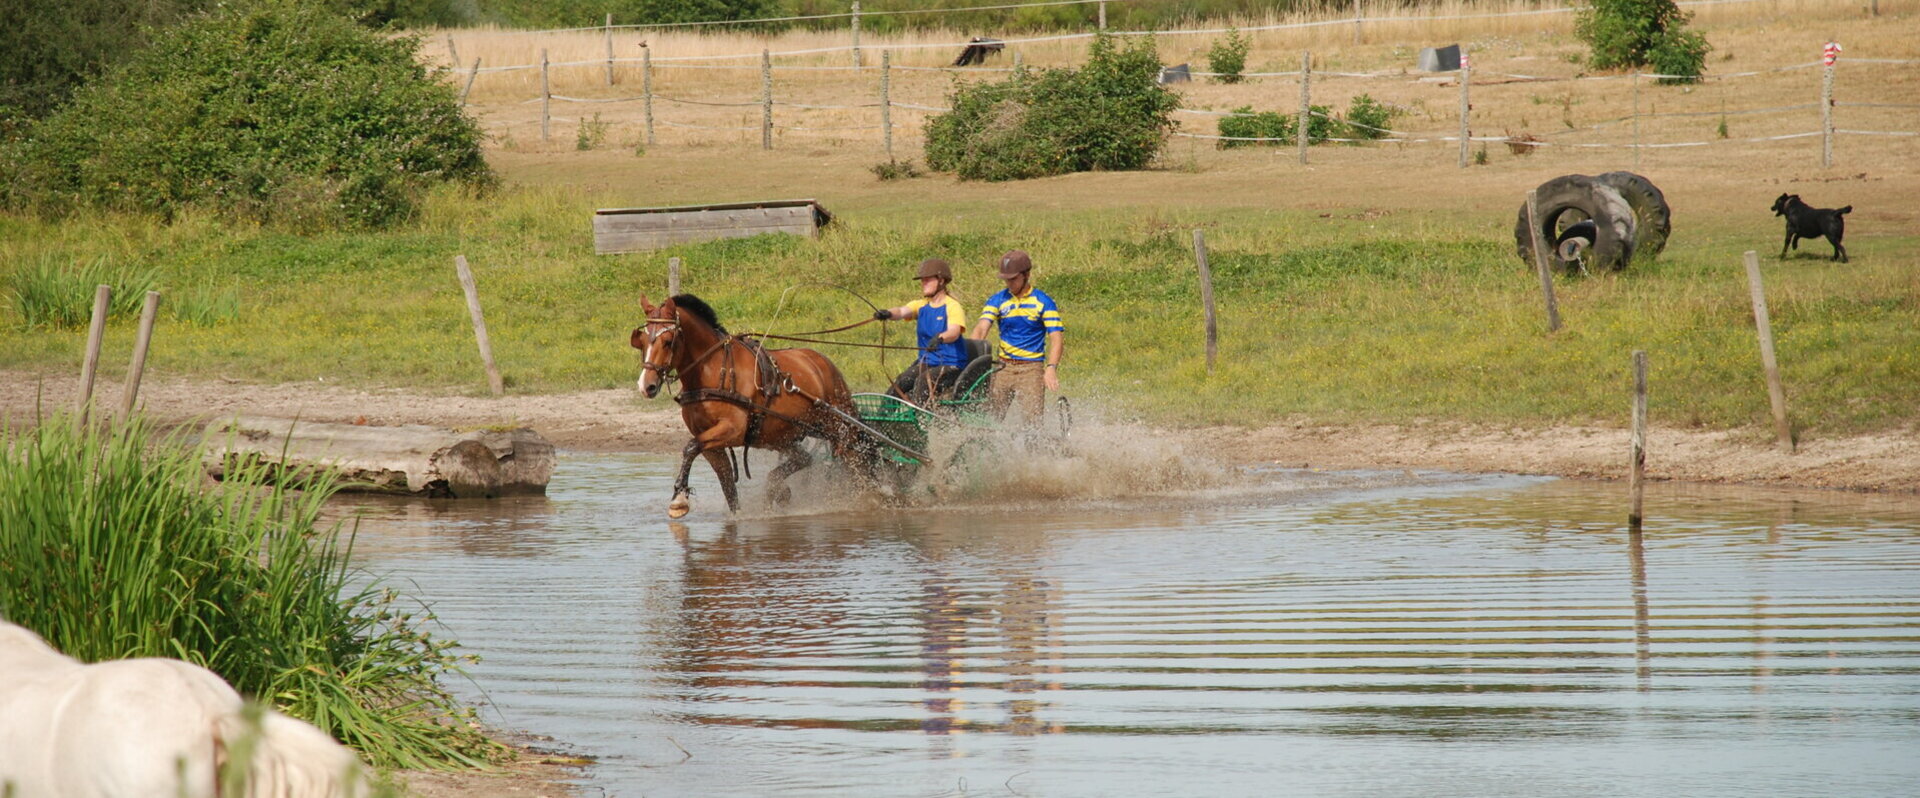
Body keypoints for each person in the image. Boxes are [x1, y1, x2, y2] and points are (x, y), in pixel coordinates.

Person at [968, 250, 1063, 425]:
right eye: (1006, 280)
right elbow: (981, 328)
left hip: (1031, 370)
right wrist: (971, 360)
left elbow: (1056, 338)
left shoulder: (1043, 302)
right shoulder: (998, 300)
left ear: (1026, 275)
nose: (1009, 284)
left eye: (1013, 279)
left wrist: (1051, 368)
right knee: (989, 420)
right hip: (1003, 367)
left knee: (1033, 424)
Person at [875, 258, 969, 403]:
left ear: (941, 281)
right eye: (922, 280)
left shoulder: (952, 306)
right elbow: (901, 311)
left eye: (927, 280)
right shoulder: (921, 305)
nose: (923, 283)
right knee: (901, 382)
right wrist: (887, 313)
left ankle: (920, 421)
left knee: (923, 383)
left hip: (951, 365)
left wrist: (940, 338)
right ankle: (882, 418)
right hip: (928, 362)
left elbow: (954, 332)